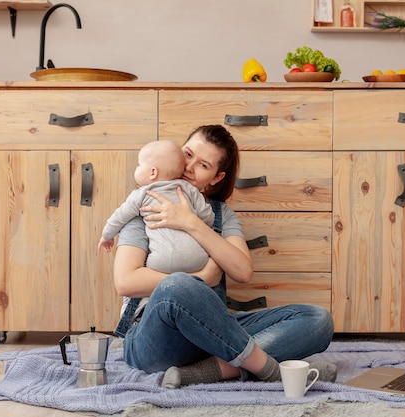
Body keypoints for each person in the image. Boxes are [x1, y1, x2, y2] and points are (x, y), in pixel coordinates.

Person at [113, 124, 336, 389]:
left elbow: (242, 271)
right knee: (179, 285)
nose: (188, 167)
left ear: (216, 178)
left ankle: (206, 371)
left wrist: (191, 223)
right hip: (153, 337)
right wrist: (200, 278)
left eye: (203, 165)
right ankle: (268, 369)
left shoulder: (219, 215)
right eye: (187, 154)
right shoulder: (143, 202)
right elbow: (125, 281)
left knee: (317, 320)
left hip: (213, 333)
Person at [98, 140, 214, 274]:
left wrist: (107, 235)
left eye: (139, 165)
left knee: (150, 278)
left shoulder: (141, 194)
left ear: (153, 172)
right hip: (198, 260)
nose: (136, 169)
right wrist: (193, 219)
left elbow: (119, 216)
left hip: (163, 262)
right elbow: (208, 217)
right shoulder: (188, 189)